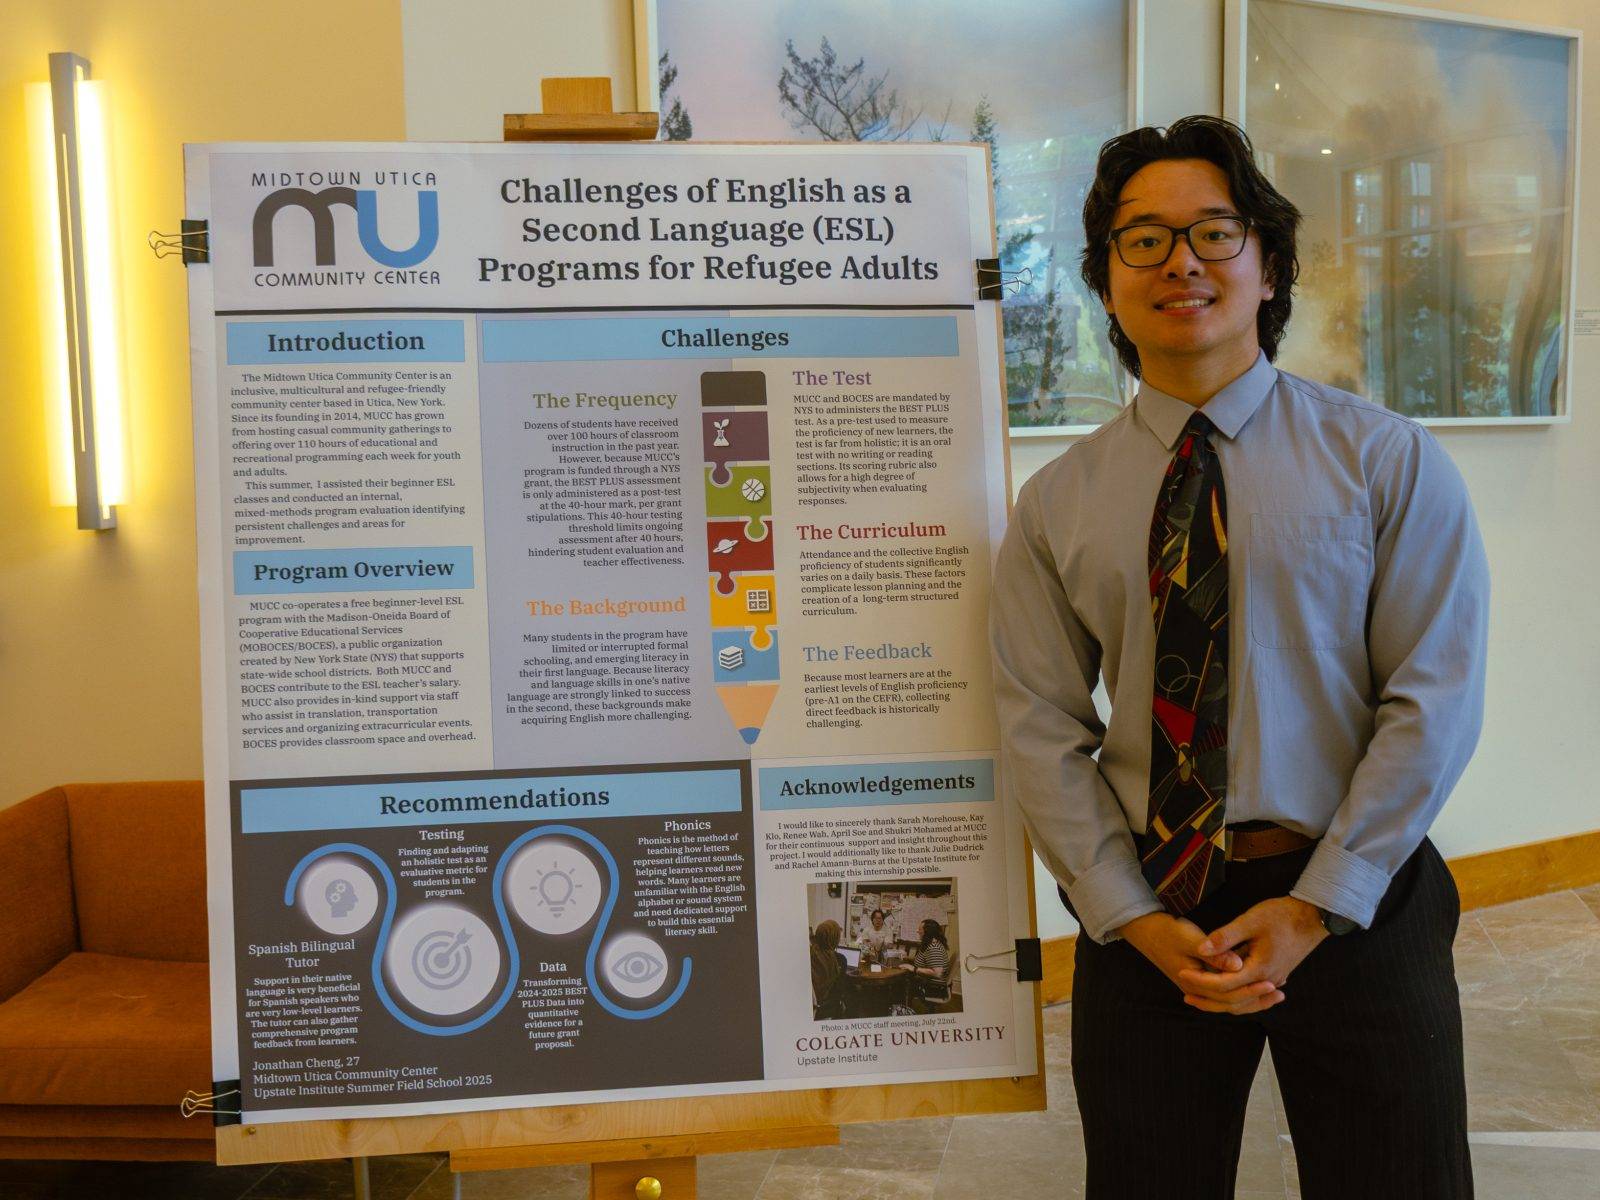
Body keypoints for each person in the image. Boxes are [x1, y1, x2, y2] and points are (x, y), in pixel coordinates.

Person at [990, 115, 1488, 1199]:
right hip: (1149, 917)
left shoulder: (1384, 462)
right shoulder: (1056, 504)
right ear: (1106, 282)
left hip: (1358, 901)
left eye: (1216, 233)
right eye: (1144, 240)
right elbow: (1038, 723)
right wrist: (1130, 917)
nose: (1182, 262)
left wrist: (1317, 904)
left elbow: (1431, 697)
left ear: (1268, 266)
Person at [809, 919, 847, 1020]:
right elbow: (840, 991)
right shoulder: (840, 959)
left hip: (811, 1008)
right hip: (827, 1010)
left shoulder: (810, 953)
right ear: (834, 938)